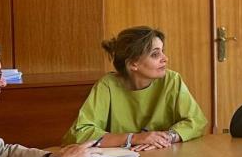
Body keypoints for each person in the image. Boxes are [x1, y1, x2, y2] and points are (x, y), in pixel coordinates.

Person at [63, 26, 207, 149]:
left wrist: (166, 138)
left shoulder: (172, 80)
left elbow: (196, 121)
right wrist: (134, 138)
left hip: (163, 155)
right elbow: (80, 133)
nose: (165, 58)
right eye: (155, 54)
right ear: (133, 64)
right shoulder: (107, 85)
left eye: (163, 51)